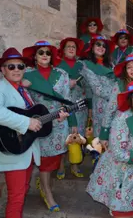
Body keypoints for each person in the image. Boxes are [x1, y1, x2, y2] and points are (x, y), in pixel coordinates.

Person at [0, 48, 68, 218]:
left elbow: (32, 117)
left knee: (21, 194)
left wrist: (54, 117)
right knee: (16, 199)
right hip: (14, 152)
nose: (16, 70)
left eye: (20, 66)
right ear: (3, 69)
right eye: (11, 66)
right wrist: (26, 122)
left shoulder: (23, 90)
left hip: (26, 150)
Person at [86, 80, 133, 218]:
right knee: (125, 213)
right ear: (130, 100)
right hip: (120, 175)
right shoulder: (122, 119)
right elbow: (118, 153)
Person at [23, 40, 77, 212]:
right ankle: (47, 192)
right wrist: (21, 86)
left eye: (47, 52)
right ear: (35, 56)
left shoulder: (61, 74)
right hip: (39, 124)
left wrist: (72, 121)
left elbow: (68, 100)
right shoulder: (27, 75)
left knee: (55, 157)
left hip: (60, 122)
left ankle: (44, 183)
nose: (45, 55)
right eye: (41, 52)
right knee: (45, 159)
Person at [53, 37, 88, 179]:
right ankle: (61, 166)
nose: (71, 48)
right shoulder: (58, 65)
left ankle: (75, 164)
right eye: (68, 46)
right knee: (63, 134)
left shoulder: (82, 65)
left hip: (79, 104)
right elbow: (54, 85)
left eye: (73, 46)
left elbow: (88, 84)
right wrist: (67, 84)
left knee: (76, 134)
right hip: (63, 103)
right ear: (63, 49)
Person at [99, 54, 133, 142]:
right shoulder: (120, 85)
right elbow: (110, 109)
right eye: (129, 67)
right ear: (125, 71)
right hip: (124, 127)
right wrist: (104, 135)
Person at [79, 35, 116, 138]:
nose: (101, 47)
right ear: (92, 47)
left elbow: (117, 82)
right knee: (101, 138)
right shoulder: (86, 65)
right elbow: (97, 89)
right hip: (100, 105)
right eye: (98, 44)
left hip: (114, 105)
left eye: (104, 46)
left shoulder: (111, 65)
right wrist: (116, 96)